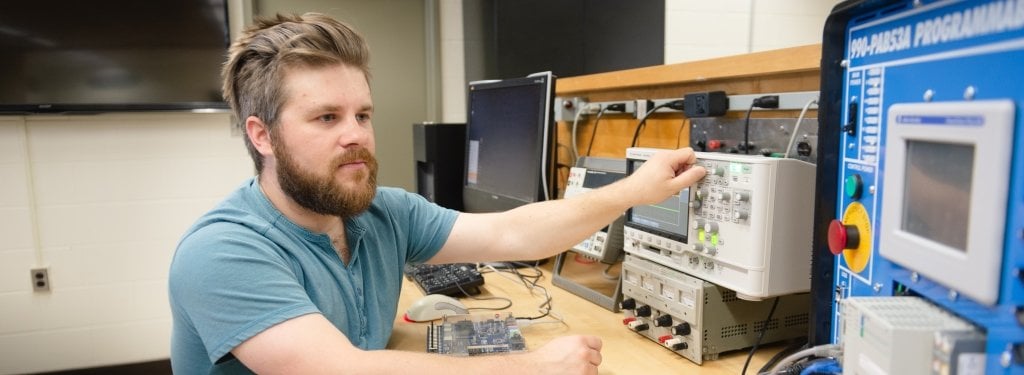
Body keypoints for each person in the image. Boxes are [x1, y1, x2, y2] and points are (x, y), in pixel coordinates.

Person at [168, 12, 707, 374]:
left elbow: (513, 232)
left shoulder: (381, 213)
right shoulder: (222, 252)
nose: (355, 133)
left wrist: (634, 189)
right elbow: (344, 369)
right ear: (262, 135)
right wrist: (528, 366)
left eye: (362, 114)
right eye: (326, 117)